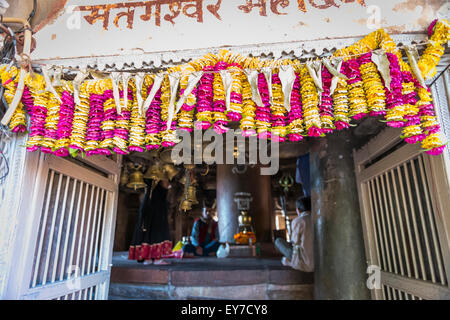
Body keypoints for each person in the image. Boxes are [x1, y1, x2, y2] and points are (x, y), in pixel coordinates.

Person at [129, 179, 171, 264]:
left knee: (148, 236)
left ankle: (148, 258)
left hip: (150, 220)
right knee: (155, 236)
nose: (169, 185)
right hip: (155, 221)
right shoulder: (158, 195)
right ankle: (156, 259)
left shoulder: (151, 194)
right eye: (166, 182)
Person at [274, 196, 314, 272]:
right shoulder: (317, 219)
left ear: (298, 210)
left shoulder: (298, 221)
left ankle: (290, 262)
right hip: (318, 260)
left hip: (305, 263)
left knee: (278, 241)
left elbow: (295, 242)